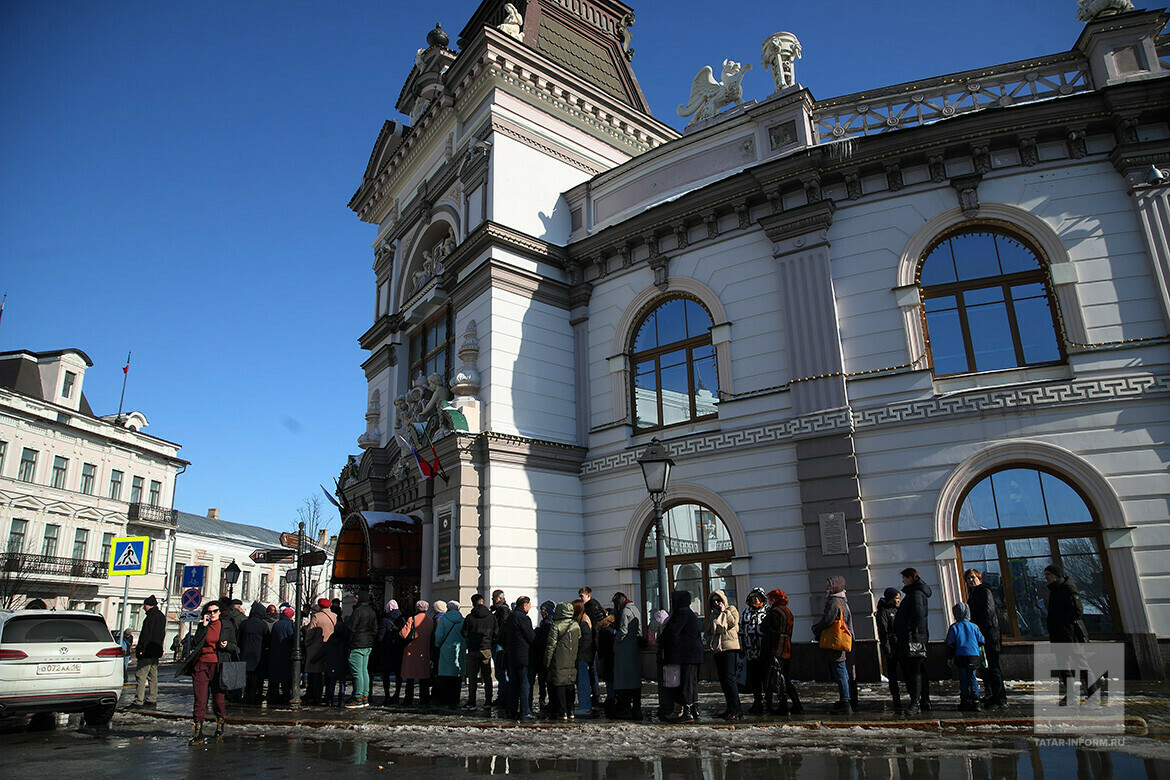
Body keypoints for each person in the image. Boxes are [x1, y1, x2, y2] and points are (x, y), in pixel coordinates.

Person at [178, 600, 238, 745]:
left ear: (220, 612)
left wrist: (226, 645)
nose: (212, 614)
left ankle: (220, 723)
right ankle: (198, 732)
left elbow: (234, 646)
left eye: (215, 611)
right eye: (209, 612)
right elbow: (195, 643)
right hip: (201, 665)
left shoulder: (227, 626)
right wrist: (203, 627)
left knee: (218, 698)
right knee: (200, 698)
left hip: (219, 665)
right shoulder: (203, 626)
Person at [893, 567, 933, 717]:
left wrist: (910, 633)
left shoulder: (916, 594)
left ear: (911, 578)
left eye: (904, 578)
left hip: (914, 639)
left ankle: (915, 702)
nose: (902, 580)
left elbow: (918, 616)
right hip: (914, 637)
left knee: (915, 670)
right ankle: (924, 701)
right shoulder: (915, 593)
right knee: (919, 669)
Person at [965, 569, 1006, 709]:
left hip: (989, 635)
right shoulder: (974, 594)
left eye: (973, 577)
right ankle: (992, 695)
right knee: (986, 668)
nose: (971, 580)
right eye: (968, 579)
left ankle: (1000, 699)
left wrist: (980, 631)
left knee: (994, 668)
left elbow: (988, 613)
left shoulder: (984, 591)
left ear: (979, 578)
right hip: (982, 636)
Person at [811, 575, 853, 714]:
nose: (827, 588)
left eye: (829, 585)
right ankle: (845, 700)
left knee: (840, 670)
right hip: (841, 639)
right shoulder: (842, 601)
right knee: (841, 670)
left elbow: (827, 620)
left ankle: (845, 702)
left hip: (836, 639)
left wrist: (817, 628)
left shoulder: (834, 602)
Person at [660, 590, 703, 723]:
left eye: (673, 601)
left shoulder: (682, 613)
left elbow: (672, 631)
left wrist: (661, 637)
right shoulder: (688, 613)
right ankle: (694, 710)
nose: (672, 604)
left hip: (686, 655)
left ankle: (687, 712)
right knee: (691, 683)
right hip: (693, 654)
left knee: (685, 683)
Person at [762, 588, 802, 715]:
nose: (768, 602)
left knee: (777, 679)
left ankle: (783, 705)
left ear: (774, 599)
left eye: (769, 599)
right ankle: (796, 704)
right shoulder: (787, 611)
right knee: (785, 677)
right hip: (786, 648)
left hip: (776, 649)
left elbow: (772, 632)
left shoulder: (775, 612)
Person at [543, 601, 581, 720]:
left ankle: (562, 711)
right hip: (572, 660)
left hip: (559, 659)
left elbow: (551, 645)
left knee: (559, 685)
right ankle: (571, 710)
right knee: (570, 684)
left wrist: (546, 662)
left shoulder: (556, 626)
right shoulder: (575, 625)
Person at [945, 602, 986, 712]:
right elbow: (981, 641)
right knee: (972, 677)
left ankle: (965, 701)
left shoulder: (954, 627)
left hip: (960, 656)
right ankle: (976, 701)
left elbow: (951, 644)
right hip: (973, 656)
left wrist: (949, 657)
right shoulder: (974, 627)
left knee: (963, 679)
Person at [708, 589, 741, 720]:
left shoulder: (731, 609)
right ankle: (730, 708)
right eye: (714, 601)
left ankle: (736, 709)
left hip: (729, 648)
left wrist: (724, 612)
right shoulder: (712, 615)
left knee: (729, 679)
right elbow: (710, 630)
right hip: (718, 649)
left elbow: (733, 623)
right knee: (723, 681)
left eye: (718, 600)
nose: (716, 603)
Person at [461, 593, 496, 714]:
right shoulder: (491, 617)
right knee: (487, 677)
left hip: (473, 649)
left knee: (472, 677)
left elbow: (464, 633)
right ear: (483, 602)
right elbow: (496, 632)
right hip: (486, 649)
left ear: (473, 603)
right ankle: (488, 701)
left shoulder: (470, 617)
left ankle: (472, 701)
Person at [611, 592, 643, 720]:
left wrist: (616, 641)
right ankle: (637, 708)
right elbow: (639, 629)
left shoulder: (625, 612)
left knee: (623, 679)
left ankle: (625, 709)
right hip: (634, 648)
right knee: (634, 678)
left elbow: (623, 631)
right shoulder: (635, 609)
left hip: (624, 650)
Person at [130, 594, 165, 709]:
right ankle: (152, 698)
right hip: (156, 650)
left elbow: (146, 635)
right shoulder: (161, 616)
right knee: (153, 675)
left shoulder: (150, 617)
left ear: (148, 605)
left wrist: (141, 649)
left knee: (141, 675)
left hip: (147, 651)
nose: (143, 608)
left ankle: (138, 701)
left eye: (144, 605)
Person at [503, 596, 535, 720]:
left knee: (513, 684)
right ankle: (525, 711)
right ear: (524, 606)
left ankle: (511, 710)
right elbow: (531, 637)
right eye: (529, 605)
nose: (530, 607)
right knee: (524, 684)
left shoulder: (510, 617)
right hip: (524, 656)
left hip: (512, 655)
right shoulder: (523, 618)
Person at [346, 591, 378, 708]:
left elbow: (351, 629)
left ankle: (358, 697)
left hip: (357, 644)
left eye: (356, 597)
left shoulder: (357, 611)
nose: (354, 599)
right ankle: (365, 696)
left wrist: (349, 641)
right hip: (367, 645)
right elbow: (375, 630)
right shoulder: (371, 611)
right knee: (364, 671)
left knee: (357, 672)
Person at [399, 600, 435, 706]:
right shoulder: (430, 621)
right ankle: (424, 698)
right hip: (424, 651)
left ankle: (408, 699)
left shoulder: (412, 619)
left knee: (410, 678)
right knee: (423, 677)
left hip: (411, 651)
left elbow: (403, 634)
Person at [739, 588, 768, 714]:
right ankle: (757, 701)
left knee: (766, 678)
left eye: (758, 597)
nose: (755, 600)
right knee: (754, 679)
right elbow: (741, 630)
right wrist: (742, 647)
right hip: (751, 652)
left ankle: (769, 702)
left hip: (764, 651)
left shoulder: (767, 611)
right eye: (753, 597)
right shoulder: (746, 612)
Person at [434, 600, 466, 709]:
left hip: (446, 649)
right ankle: (455, 698)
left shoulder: (443, 619)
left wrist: (438, 645)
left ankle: (446, 698)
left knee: (446, 676)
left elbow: (438, 635)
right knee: (457, 676)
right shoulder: (463, 620)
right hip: (459, 649)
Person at [304, 599, 336, 705]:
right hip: (330, 647)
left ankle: (314, 695)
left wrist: (306, 643)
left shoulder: (317, 617)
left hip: (316, 647)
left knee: (315, 673)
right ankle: (327, 694)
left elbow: (310, 632)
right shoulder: (334, 616)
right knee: (327, 673)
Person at [238, 601, 271, 705]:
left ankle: (245, 694)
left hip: (245, 653)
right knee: (257, 676)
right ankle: (256, 694)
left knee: (245, 675)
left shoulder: (244, 623)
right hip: (258, 654)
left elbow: (238, 638)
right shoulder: (263, 625)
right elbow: (267, 640)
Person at [1044, 563, 1086, 643]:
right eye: (1045, 575)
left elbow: (1077, 610)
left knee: (1072, 654)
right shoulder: (1054, 590)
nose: (1046, 577)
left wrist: (1061, 622)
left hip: (1068, 633)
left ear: (1056, 575)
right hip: (1057, 634)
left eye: (1049, 574)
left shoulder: (1068, 589)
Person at [578, 586, 606, 706]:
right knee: (591, 670)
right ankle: (595, 693)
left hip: (592, 642)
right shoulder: (591, 606)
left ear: (588, 595)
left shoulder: (592, 607)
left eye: (582, 596)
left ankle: (596, 694)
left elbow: (596, 626)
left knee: (592, 669)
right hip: (592, 642)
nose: (580, 598)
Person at [875, 587, 902, 710]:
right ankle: (896, 697)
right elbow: (883, 631)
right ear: (890, 599)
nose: (898, 600)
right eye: (896, 598)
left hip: (900, 644)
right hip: (891, 646)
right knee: (892, 673)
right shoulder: (883, 612)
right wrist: (887, 648)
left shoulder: (898, 610)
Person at [378, 599, 406, 706]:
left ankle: (387, 696)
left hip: (387, 650)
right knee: (398, 674)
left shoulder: (385, 620)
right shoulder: (402, 619)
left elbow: (380, 637)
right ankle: (397, 694)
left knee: (386, 674)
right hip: (398, 649)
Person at [267, 607, 296, 706]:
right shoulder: (290, 624)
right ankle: (285, 696)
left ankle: (273, 696)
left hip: (276, 653)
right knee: (286, 678)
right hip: (286, 653)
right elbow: (293, 637)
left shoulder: (276, 624)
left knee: (275, 677)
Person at [322, 604, 350, 707]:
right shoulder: (345, 640)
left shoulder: (331, 639)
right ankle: (341, 697)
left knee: (332, 681)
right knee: (342, 681)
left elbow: (323, 650)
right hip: (342, 663)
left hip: (332, 663)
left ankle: (330, 697)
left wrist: (313, 659)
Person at [532, 600, 555, 715]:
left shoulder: (546, 622)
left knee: (543, 681)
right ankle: (549, 702)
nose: (541, 611)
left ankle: (543, 702)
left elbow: (542, 641)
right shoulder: (553, 620)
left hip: (543, 656)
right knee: (548, 681)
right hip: (549, 656)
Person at [572, 598, 594, 718]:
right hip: (583, 655)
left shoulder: (583, 621)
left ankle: (585, 705)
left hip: (582, 656)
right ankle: (584, 704)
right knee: (582, 681)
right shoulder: (582, 620)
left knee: (583, 682)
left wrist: (579, 651)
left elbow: (586, 640)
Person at [490, 590, 510, 711]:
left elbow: (502, 626)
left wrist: (498, 637)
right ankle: (502, 694)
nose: (493, 599)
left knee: (500, 670)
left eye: (494, 598)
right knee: (500, 670)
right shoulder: (498, 609)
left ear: (500, 598)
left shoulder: (503, 610)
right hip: (498, 642)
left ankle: (503, 694)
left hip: (499, 644)